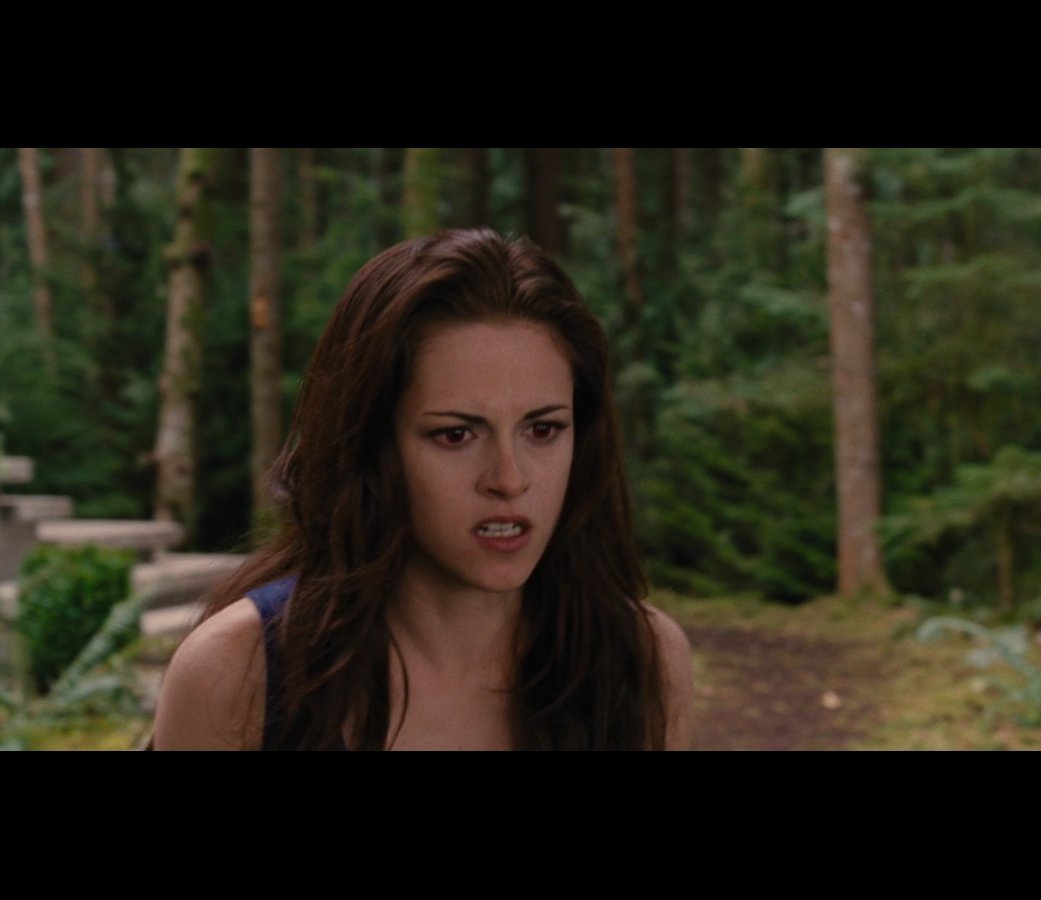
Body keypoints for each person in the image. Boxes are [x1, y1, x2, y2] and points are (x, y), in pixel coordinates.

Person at [153, 228, 693, 750]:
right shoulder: (239, 673)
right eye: (456, 435)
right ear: (371, 444)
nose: (510, 479)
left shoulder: (642, 663)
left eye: (543, 430)